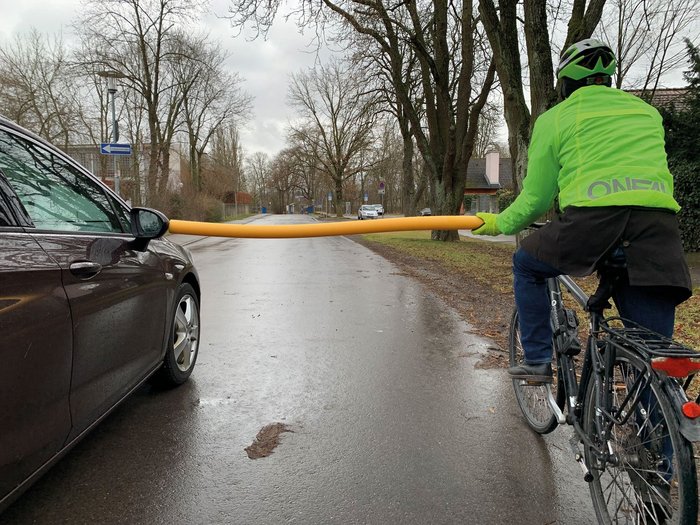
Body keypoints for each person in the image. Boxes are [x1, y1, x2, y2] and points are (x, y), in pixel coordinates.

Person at [473, 38, 692, 382]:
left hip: (593, 223)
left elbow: (537, 201)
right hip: (657, 232)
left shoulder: (555, 119)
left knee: (526, 265)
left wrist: (497, 223)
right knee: (653, 357)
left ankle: (538, 360)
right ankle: (661, 426)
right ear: (609, 79)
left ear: (565, 83)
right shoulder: (648, 113)